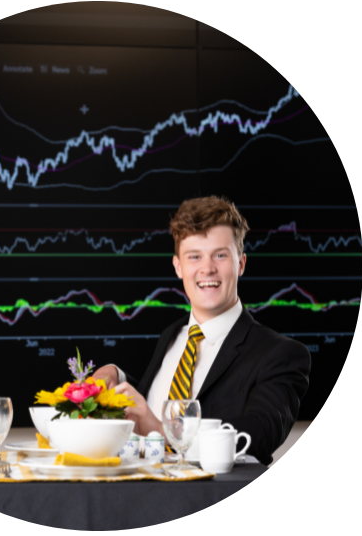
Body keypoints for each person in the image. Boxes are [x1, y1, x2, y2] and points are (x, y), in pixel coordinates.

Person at [93, 196, 310, 465]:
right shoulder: (171, 335)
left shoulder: (280, 354)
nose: (207, 268)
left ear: (241, 263)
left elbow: (261, 433)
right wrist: (116, 374)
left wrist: (164, 432)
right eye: (194, 256)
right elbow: (159, 401)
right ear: (178, 267)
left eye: (220, 255)